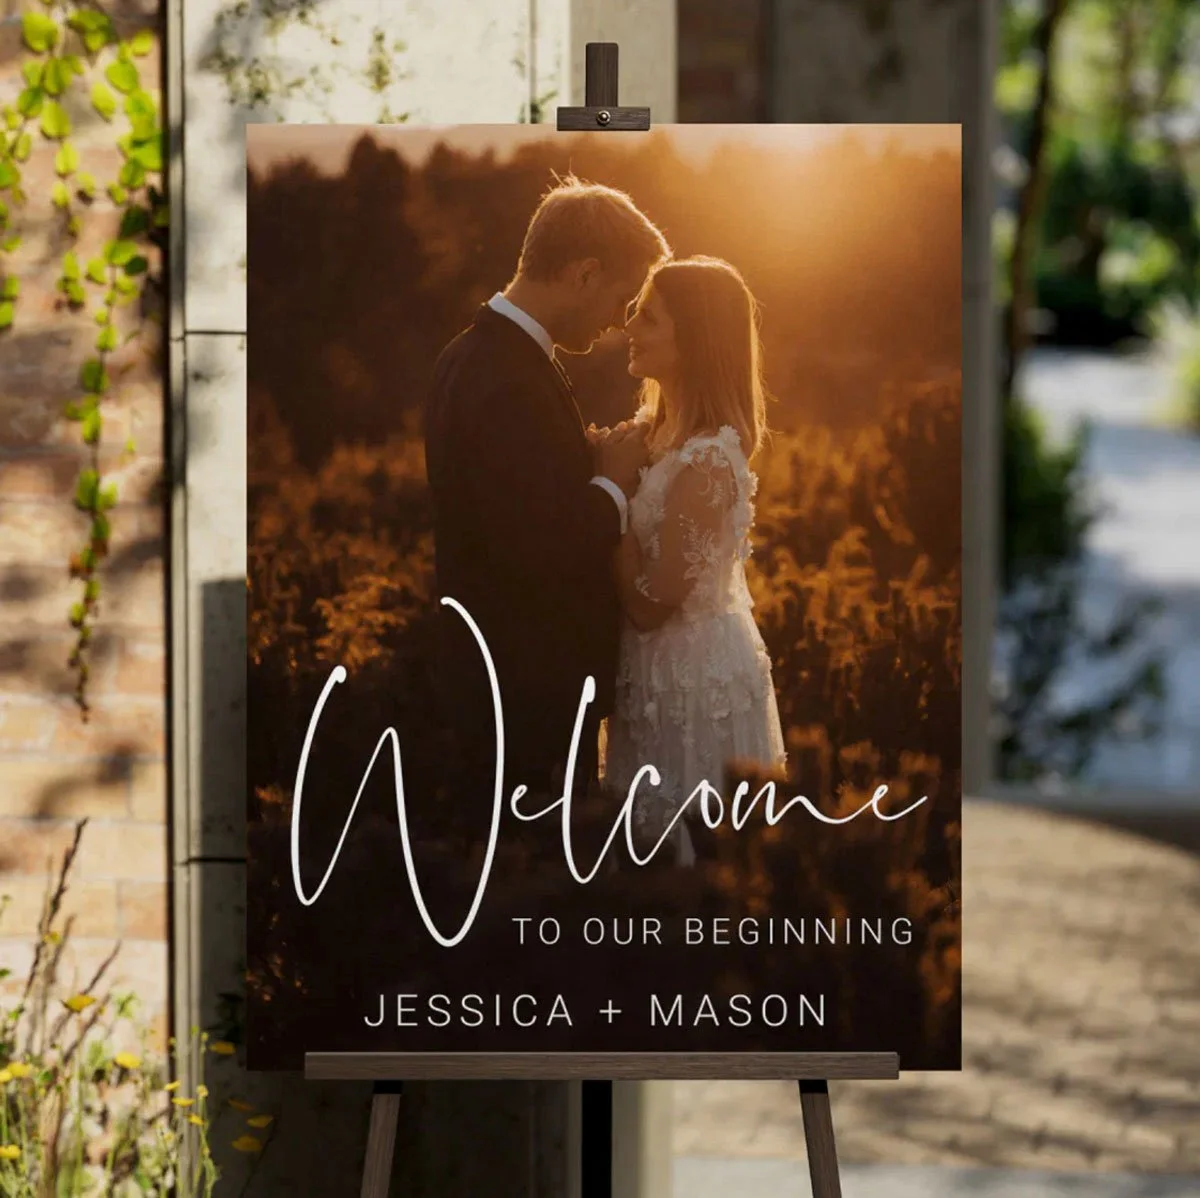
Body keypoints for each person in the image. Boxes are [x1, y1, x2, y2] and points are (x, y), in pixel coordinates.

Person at [424, 175, 670, 824]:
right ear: (585, 273)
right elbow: (537, 545)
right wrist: (611, 484)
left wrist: (583, 466)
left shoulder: (475, 356)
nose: (619, 321)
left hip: (504, 681)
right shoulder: (505, 376)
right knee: (532, 865)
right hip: (524, 691)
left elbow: (512, 504)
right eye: (620, 298)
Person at [597, 256, 788, 865]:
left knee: (694, 864)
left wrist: (612, 499)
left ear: (695, 341)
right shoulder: (652, 434)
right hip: (648, 678)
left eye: (649, 318)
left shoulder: (708, 459)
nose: (629, 325)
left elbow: (650, 607)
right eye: (635, 311)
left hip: (695, 684)